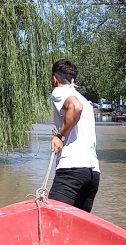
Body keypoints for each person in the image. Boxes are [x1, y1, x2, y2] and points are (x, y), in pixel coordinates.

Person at [48, 59, 100, 212]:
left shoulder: (59, 91)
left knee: (53, 219)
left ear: (54, 79)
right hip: (92, 174)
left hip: (71, 170)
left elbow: (75, 107)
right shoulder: (84, 99)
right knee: (76, 225)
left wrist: (60, 135)